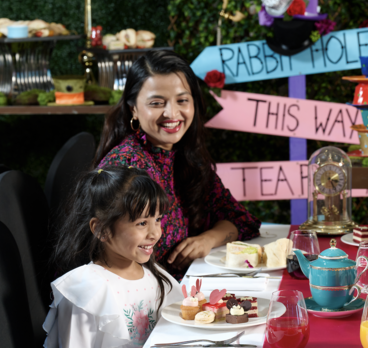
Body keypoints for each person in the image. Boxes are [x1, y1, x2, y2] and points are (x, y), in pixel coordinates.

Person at [94, 50, 260, 278]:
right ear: (133, 108)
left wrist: (207, 239)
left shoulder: (185, 155)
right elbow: (119, 265)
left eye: (182, 100)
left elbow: (241, 219)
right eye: (156, 102)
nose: (172, 113)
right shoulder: (128, 166)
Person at [44, 166, 181, 347]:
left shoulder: (154, 275)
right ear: (102, 230)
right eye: (142, 223)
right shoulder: (86, 293)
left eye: (157, 220)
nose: (155, 233)